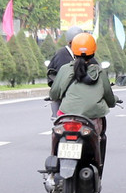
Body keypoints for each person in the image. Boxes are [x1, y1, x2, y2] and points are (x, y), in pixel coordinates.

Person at [48, 33, 116, 173]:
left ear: (73, 49)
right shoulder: (99, 72)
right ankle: (97, 165)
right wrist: (113, 102)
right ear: (93, 51)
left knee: (56, 134)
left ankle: (53, 166)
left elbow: (54, 94)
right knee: (100, 137)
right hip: (91, 120)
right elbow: (109, 98)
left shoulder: (65, 69)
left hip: (66, 117)